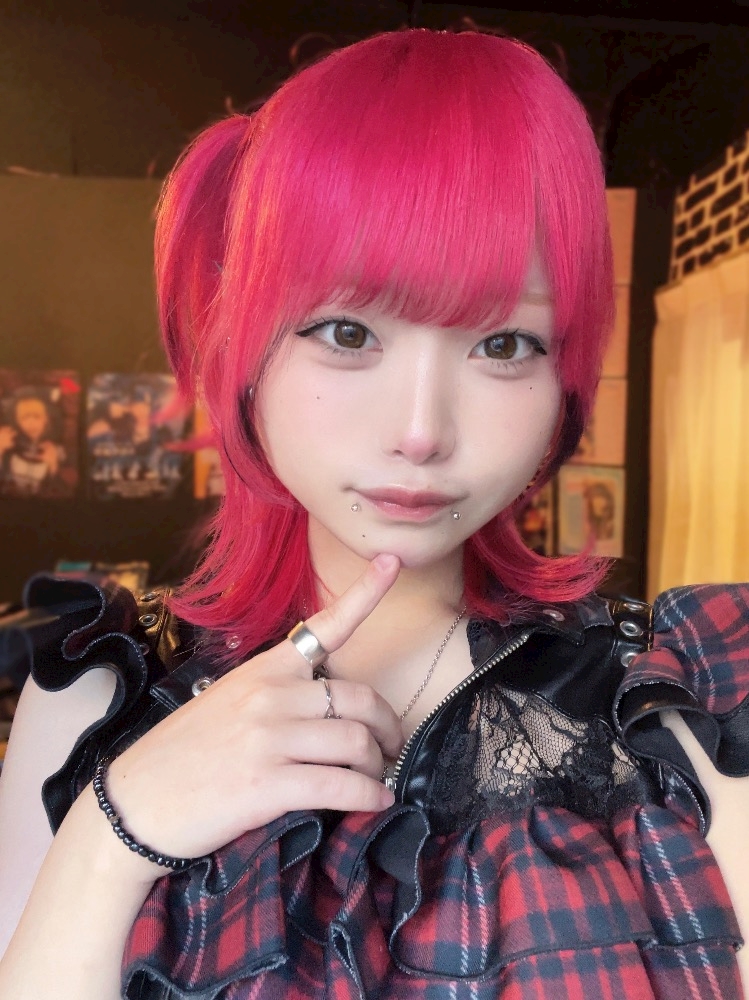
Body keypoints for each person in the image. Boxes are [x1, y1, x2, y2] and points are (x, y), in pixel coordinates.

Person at [0, 26, 748, 1000]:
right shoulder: (95, 699)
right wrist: (115, 831)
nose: (420, 431)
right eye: (347, 331)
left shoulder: (682, 709)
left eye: (503, 345)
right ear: (243, 349)